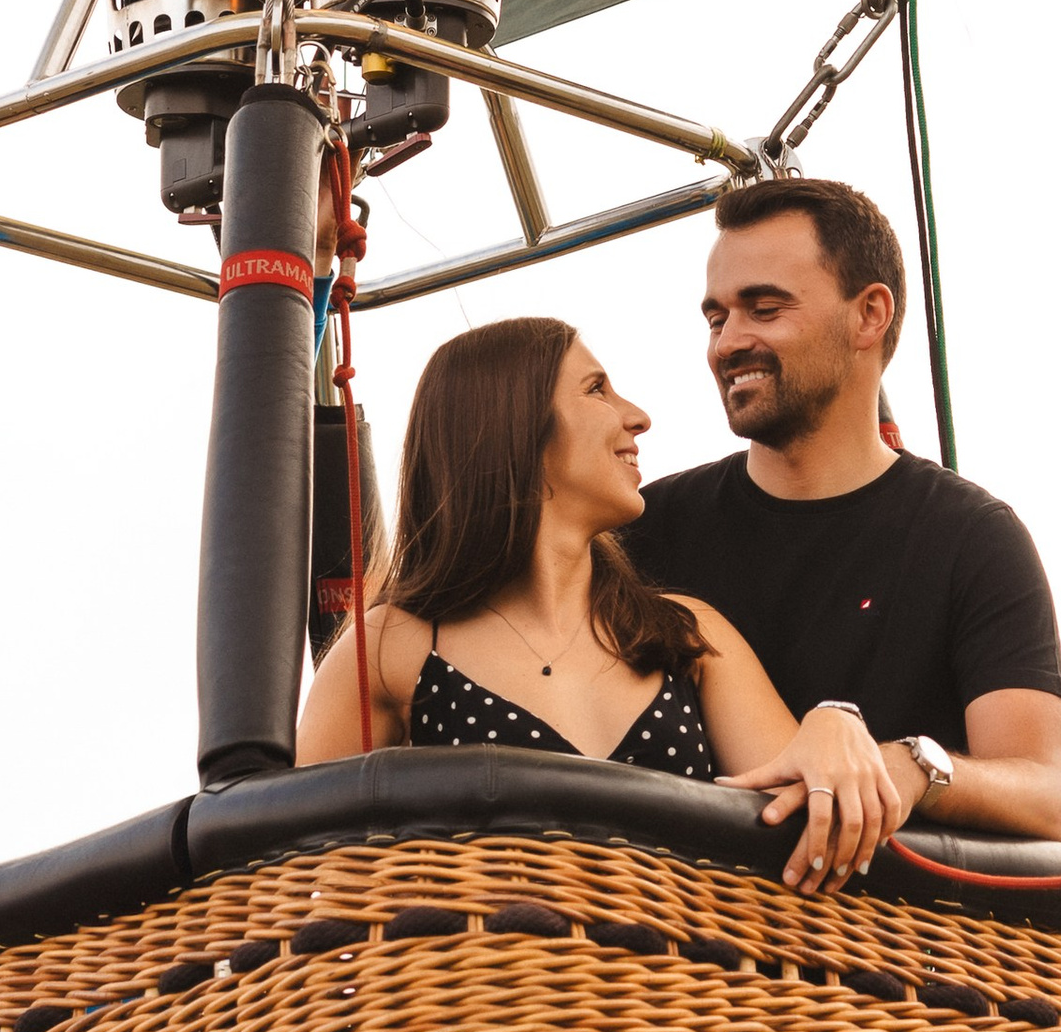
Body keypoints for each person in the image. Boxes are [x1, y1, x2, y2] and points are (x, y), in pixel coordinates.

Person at [296, 309, 873, 890]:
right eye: (597, 389)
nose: (637, 416)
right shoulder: (390, 646)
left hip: (689, 949)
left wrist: (833, 725)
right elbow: (300, 871)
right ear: (516, 427)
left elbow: (806, 832)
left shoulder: (688, 635)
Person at [624, 176, 1061, 874]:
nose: (728, 343)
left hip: (885, 937)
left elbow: (1045, 793)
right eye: (716, 319)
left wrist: (914, 764)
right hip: (670, 928)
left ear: (869, 315)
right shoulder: (645, 533)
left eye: (764, 309)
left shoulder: (972, 536)